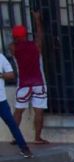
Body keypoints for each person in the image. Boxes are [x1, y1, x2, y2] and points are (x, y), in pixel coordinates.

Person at [10, 10, 48, 145]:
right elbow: (40, 36)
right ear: (26, 34)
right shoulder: (35, 46)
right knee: (39, 111)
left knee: (18, 111)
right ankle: (37, 138)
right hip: (39, 83)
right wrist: (37, 20)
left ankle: (16, 137)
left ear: (14, 36)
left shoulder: (13, 47)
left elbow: (15, 44)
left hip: (23, 84)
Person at [0, 53, 31, 157]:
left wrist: (0, 74)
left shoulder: (0, 57)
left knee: (12, 123)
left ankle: (24, 148)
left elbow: (11, 74)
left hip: (1, 100)